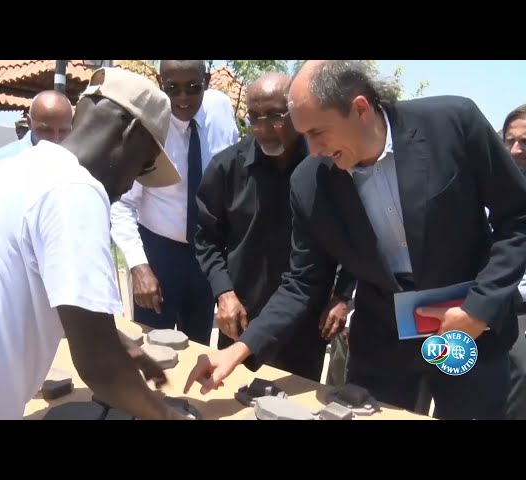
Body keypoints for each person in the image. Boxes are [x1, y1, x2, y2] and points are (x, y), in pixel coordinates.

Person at [184, 60, 526, 420]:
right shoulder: (310, 183)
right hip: (384, 348)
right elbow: (302, 283)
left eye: (318, 133)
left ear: (360, 108)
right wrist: (238, 351)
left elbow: (517, 218)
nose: (312, 149)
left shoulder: (453, 124)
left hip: (467, 331)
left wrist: (479, 308)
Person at [0, 67, 192, 420]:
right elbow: (100, 367)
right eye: (144, 165)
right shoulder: (75, 190)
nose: (131, 185)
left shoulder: (17, 168)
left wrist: (126, 349)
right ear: (129, 132)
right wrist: (169, 417)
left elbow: (37, 289)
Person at [195, 72, 354, 381]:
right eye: (254, 118)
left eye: (275, 116)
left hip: (306, 321)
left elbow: (353, 237)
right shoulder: (226, 168)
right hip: (241, 317)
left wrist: (342, 296)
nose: (264, 129)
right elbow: (206, 239)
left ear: (297, 112)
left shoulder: (329, 169)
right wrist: (224, 293)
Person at [110, 60, 239, 345]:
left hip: (205, 253)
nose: (182, 98)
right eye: (172, 88)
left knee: (197, 348)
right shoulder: (144, 125)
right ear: (159, 81)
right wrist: (138, 266)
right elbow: (121, 205)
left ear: (206, 79)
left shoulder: (221, 111)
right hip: (157, 256)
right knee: (153, 350)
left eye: (193, 88)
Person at [501, 104, 526, 420]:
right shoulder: (484, 192)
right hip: (471, 305)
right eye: (510, 141)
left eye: (525, 143)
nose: (516, 150)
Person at [0, 90, 74, 171]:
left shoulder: (76, 162)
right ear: (29, 123)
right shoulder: (2, 161)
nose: (55, 139)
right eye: (46, 130)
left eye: (63, 131)